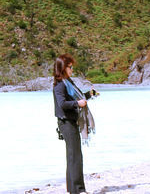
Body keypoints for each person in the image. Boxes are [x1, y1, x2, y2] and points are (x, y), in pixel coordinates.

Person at [53, 53, 97, 194]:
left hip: (71, 122)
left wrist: (90, 95)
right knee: (75, 156)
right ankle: (78, 190)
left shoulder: (69, 83)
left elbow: (79, 98)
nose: (72, 70)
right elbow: (63, 104)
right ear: (63, 68)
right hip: (66, 123)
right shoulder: (59, 85)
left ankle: (74, 190)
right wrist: (77, 103)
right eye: (70, 67)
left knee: (73, 156)